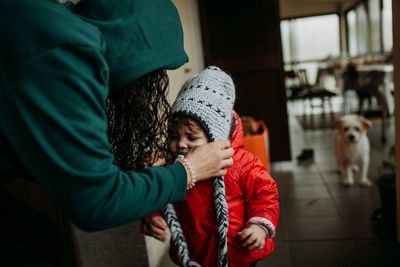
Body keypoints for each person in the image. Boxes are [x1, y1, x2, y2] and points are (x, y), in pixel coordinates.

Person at [0, 0, 233, 265]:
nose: (180, 144)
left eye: (192, 137)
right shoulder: (64, 49)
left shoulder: (54, 34)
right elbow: (96, 202)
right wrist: (187, 171)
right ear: (135, 54)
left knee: (42, 239)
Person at [143, 66, 279, 267]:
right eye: (173, 136)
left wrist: (259, 226)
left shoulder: (242, 164)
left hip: (238, 252)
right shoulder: (171, 165)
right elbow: (158, 191)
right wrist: (152, 216)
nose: (180, 143)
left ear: (217, 136)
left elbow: (265, 194)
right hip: (194, 253)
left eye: (191, 137)